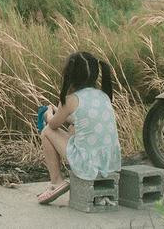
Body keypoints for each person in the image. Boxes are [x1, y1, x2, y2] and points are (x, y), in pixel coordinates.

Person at [36, 52, 122, 205]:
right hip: (109, 163)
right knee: (73, 128)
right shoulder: (103, 95)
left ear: (70, 75)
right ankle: (60, 181)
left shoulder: (71, 100)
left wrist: (49, 114)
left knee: (47, 132)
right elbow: (82, 119)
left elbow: (53, 125)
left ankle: (56, 181)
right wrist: (60, 112)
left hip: (87, 165)